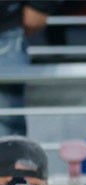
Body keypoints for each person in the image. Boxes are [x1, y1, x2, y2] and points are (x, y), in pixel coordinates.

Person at [0, 3, 60, 136]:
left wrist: (39, 6)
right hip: (8, 28)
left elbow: (33, 20)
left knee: (6, 130)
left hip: (5, 29)